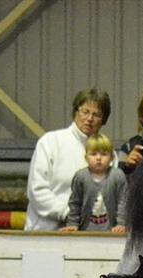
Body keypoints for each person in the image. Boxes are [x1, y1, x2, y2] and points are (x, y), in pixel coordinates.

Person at [25, 87, 111, 231]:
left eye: (96, 115)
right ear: (75, 112)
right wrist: (69, 214)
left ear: (103, 120)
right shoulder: (50, 142)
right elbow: (36, 191)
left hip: (87, 238)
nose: (89, 119)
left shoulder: (108, 154)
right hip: (43, 236)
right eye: (85, 112)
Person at [59, 133, 128, 233]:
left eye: (104, 154)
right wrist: (72, 224)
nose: (98, 158)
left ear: (112, 158)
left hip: (112, 231)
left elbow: (123, 202)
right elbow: (75, 202)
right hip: (85, 231)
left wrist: (121, 224)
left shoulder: (118, 176)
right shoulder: (80, 177)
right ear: (86, 157)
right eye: (94, 154)